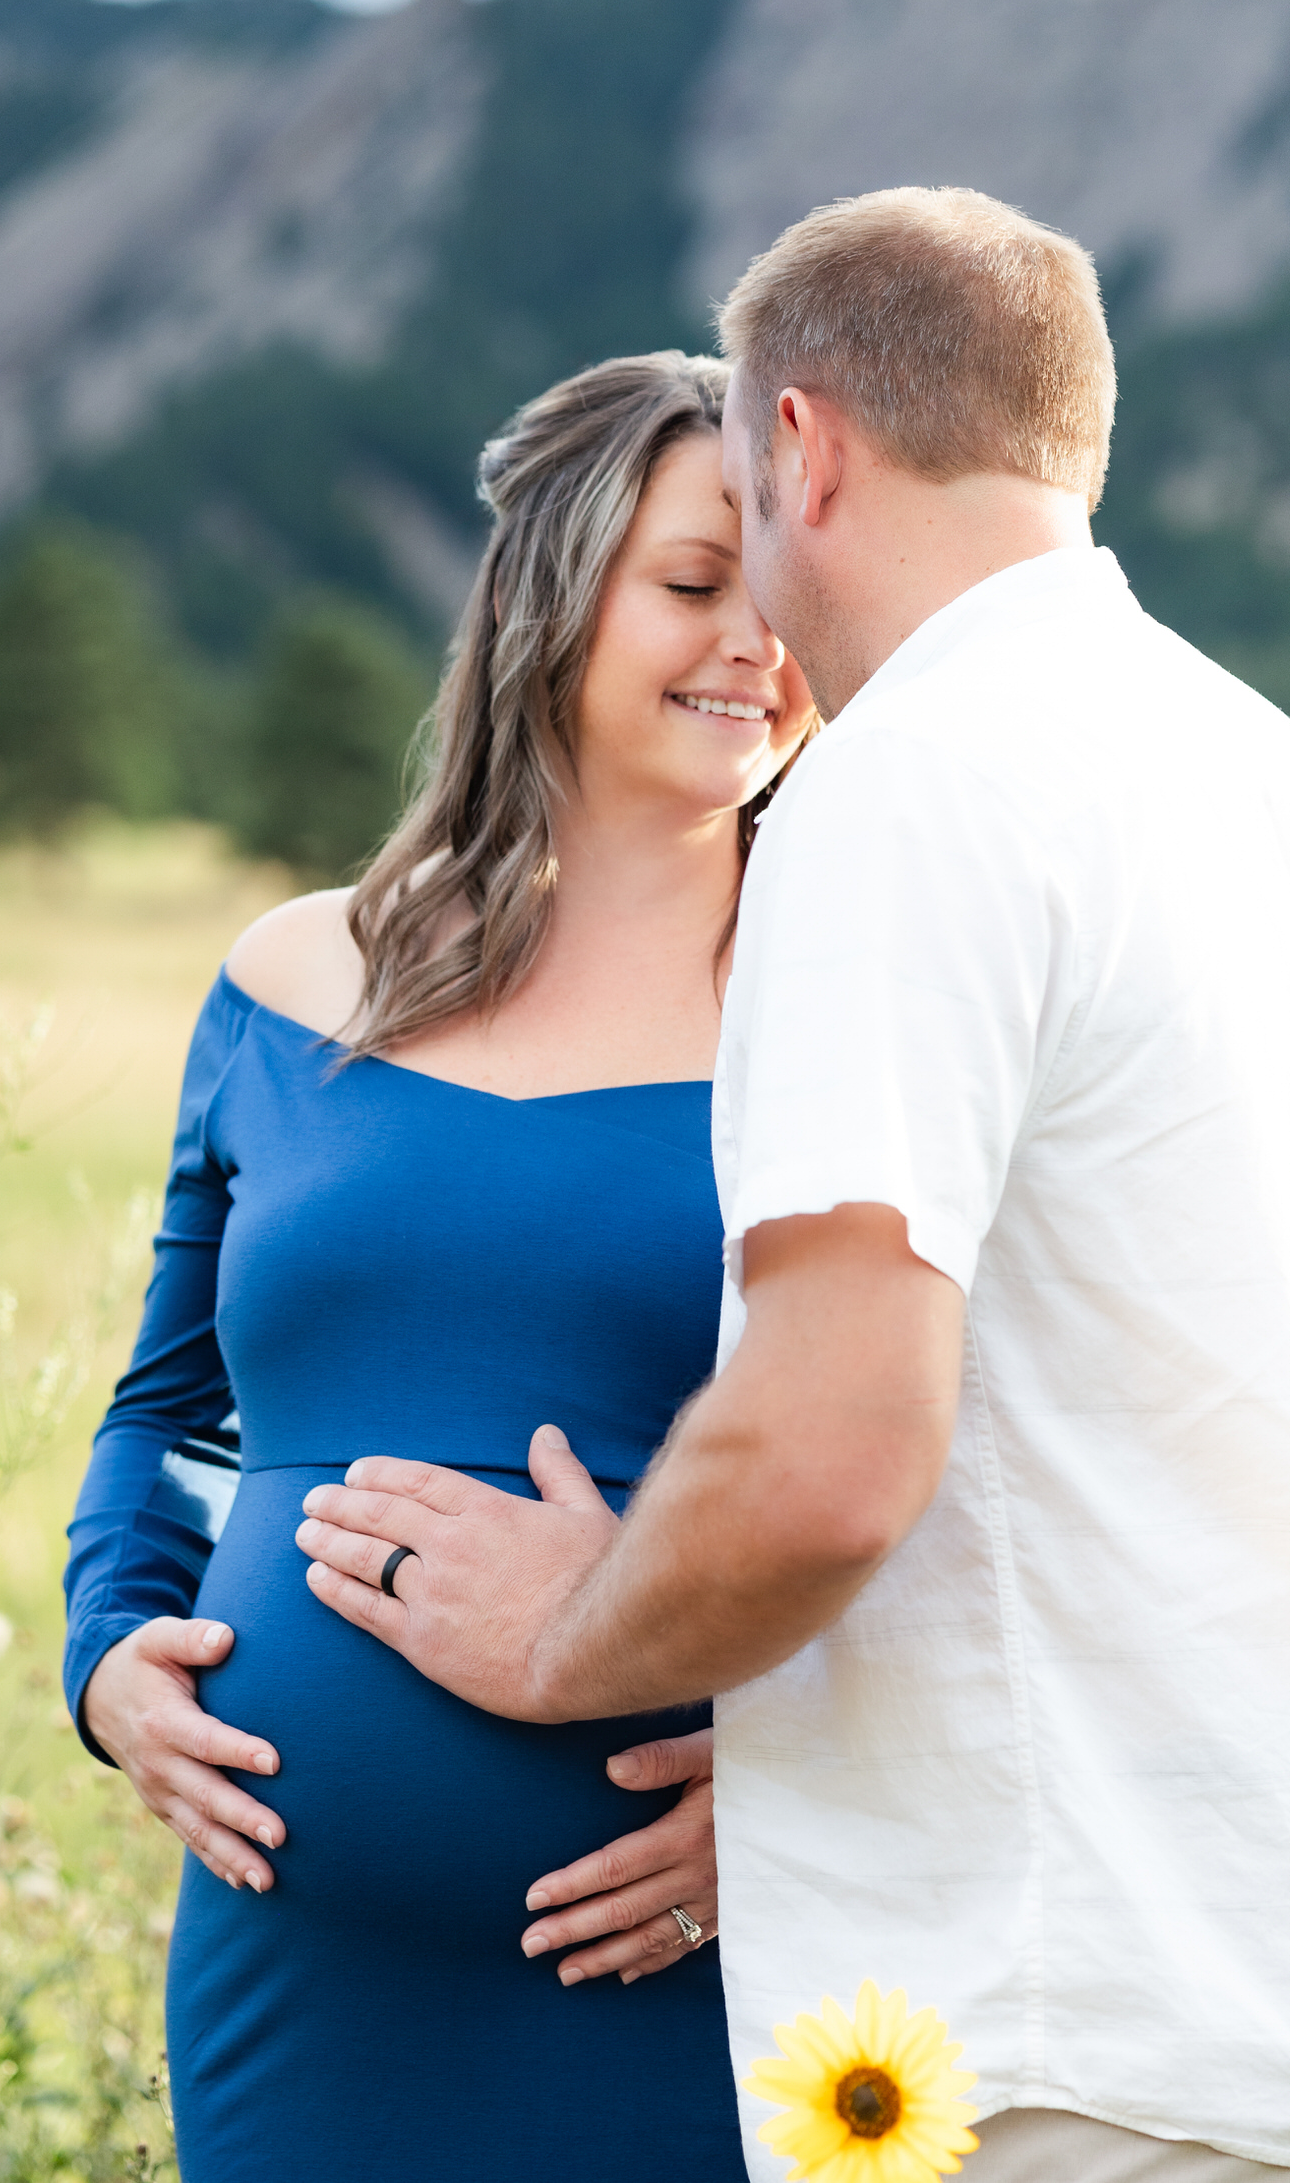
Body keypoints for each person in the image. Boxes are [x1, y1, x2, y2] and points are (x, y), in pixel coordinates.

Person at [300, 189, 1290, 2181]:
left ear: (799, 443)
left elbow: (827, 1450)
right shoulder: (1268, 771)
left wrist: (566, 1635)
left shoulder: (914, 779)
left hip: (1110, 2041)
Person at [61, 349, 816, 2182]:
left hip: (689, 1960)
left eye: (788, 601)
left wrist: (813, 1814)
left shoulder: (846, 1005)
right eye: (694, 585)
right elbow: (178, 1407)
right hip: (295, 1974)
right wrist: (105, 1662)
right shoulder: (295, 974)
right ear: (548, 597)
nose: (754, 647)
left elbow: (966, 1464)